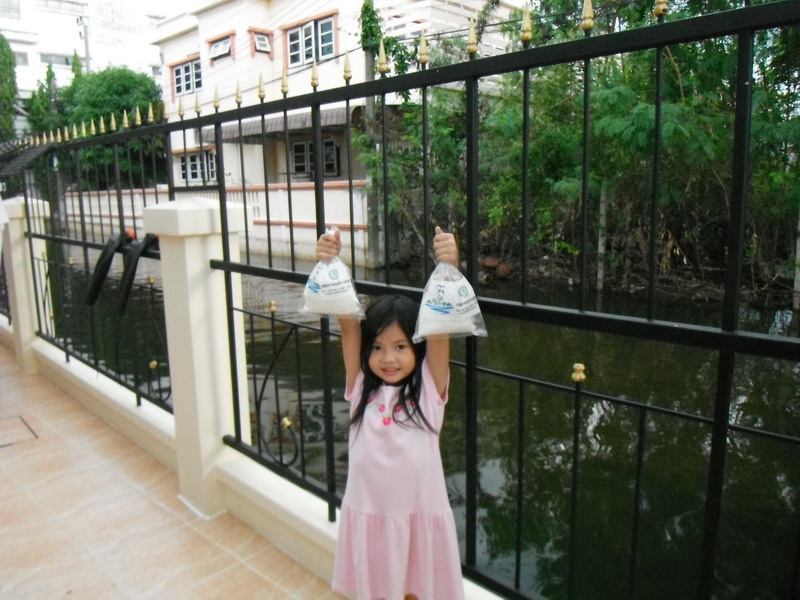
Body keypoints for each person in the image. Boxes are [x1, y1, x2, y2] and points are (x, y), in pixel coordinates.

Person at [316, 226, 465, 600]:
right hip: (370, 512)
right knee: (378, 587)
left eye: (400, 346)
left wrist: (449, 267)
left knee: (416, 587)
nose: (388, 358)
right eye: (378, 347)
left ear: (417, 348)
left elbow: (440, 332)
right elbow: (348, 326)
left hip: (417, 512)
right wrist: (330, 263)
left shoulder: (429, 390)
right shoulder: (360, 387)